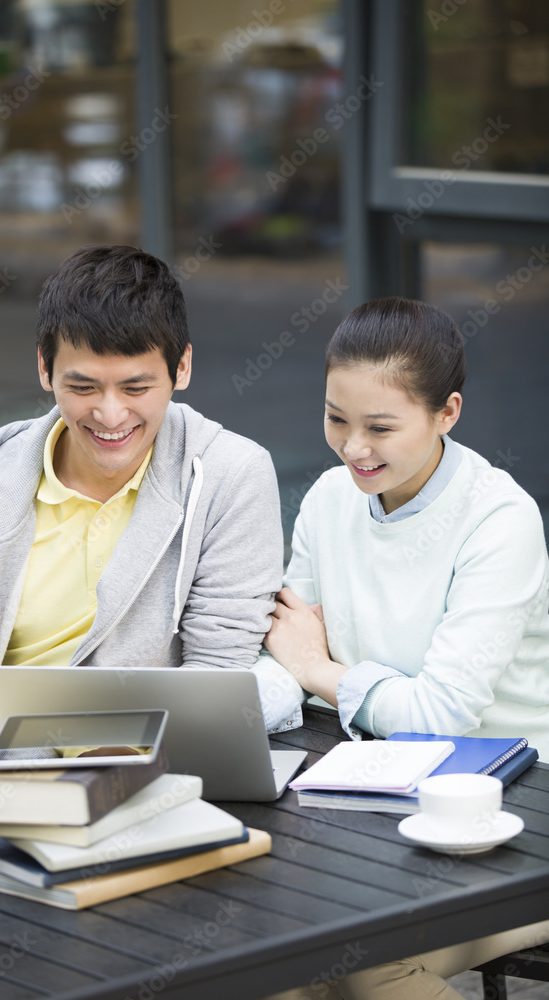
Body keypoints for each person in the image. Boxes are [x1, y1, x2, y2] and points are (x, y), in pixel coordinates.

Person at [0, 244, 296, 760]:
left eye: (136, 386)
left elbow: (216, 681)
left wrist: (55, 719)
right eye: (82, 386)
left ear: (182, 367)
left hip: (133, 769)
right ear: (44, 369)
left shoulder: (230, 477)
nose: (109, 414)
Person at [262, 295, 549, 1000]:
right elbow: (284, 652)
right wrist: (216, 711)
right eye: (336, 419)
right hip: (380, 787)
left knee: (362, 960)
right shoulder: (331, 498)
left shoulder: (497, 518)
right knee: (275, 960)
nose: (353, 447)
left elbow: (441, 713)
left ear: (446, 412)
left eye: (379, 427)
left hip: (510, 807)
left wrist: (318, 670)